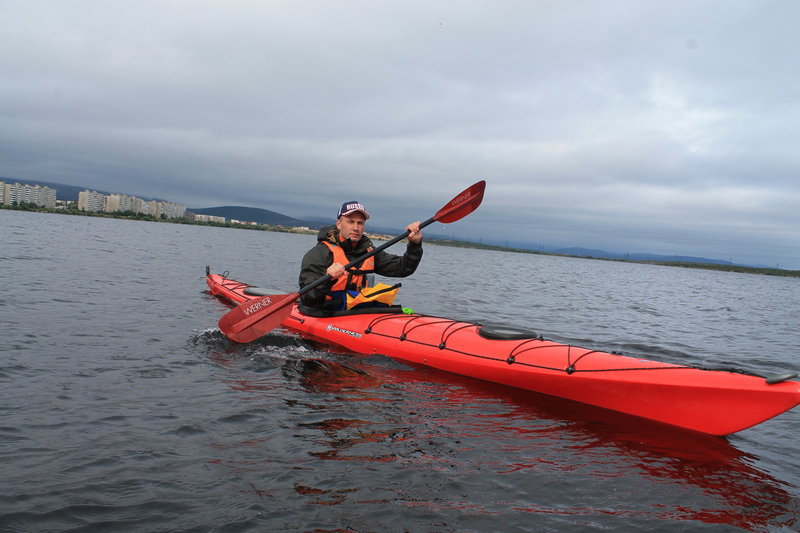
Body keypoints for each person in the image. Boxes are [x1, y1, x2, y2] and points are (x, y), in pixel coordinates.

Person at [299, 200, 423, 310]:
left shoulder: (369, 252)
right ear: (339, 224)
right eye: (350, 222)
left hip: (356, 311)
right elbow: (308, 299)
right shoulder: (319, 253)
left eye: (360, 223)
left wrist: (415, 245)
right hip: (324, 312)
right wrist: (327, 278)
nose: (356, 228)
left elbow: (403, 268)